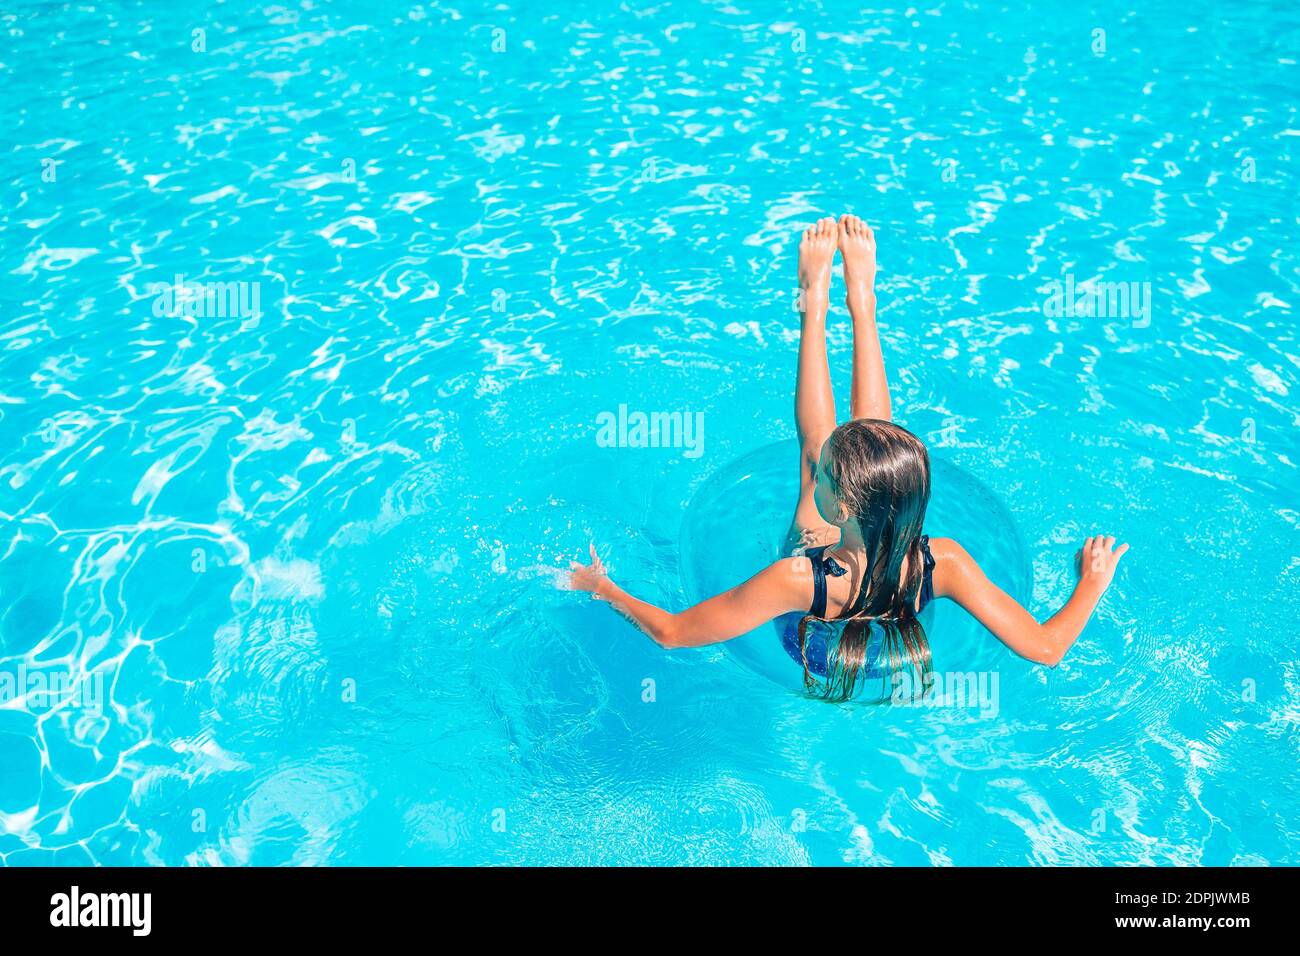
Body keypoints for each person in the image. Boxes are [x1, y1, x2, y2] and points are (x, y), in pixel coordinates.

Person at [567, 215, 1128, 701]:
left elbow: (671, 633)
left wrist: (602, 588)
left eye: (825, 479)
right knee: (870, 440)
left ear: (838, 509)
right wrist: (1093, 582)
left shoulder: (795, 578)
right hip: (888, 612)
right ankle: (863, 302)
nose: (820, 478)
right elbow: (1048, 648)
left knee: (816, 445)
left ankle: (813, 305)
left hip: (815, 620)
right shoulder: (945, 562)